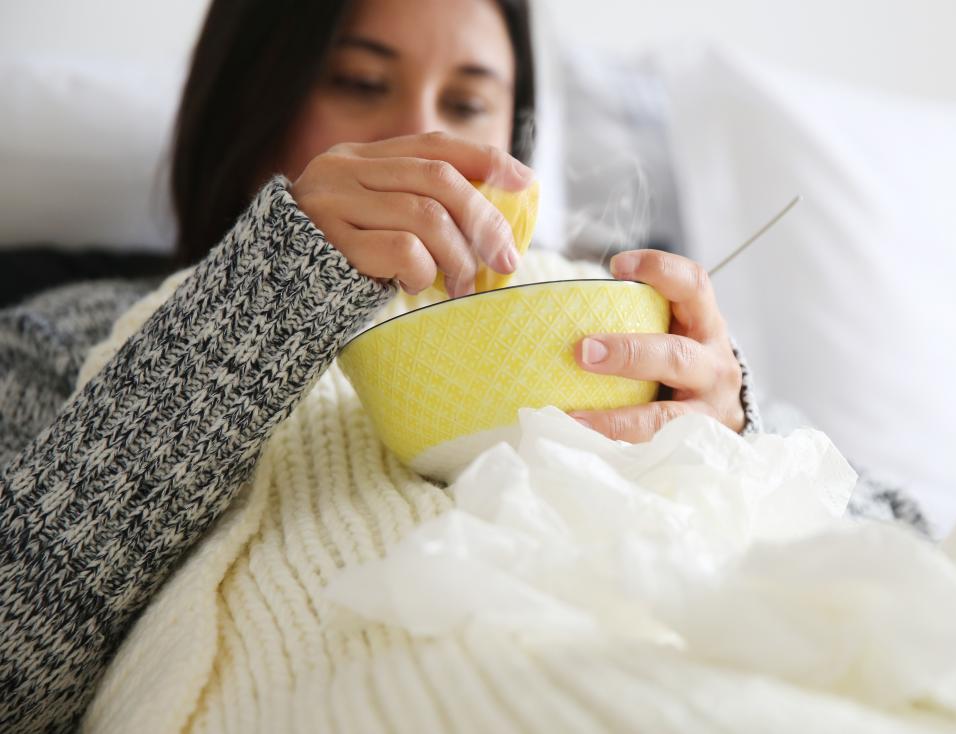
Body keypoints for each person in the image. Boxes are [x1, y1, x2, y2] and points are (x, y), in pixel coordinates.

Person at [0, 0, 776, 730]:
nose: (425, 139)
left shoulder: (625, 320)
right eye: (362, 84)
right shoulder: (69, 330)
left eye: (469, 105)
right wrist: (271, 289)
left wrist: (729, 445)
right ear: (250, 105)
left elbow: (889, 540)